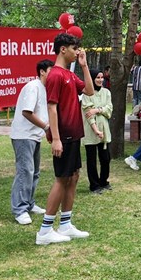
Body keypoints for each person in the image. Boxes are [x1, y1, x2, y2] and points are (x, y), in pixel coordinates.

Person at [35, 32, 96, 246]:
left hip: (74, 134)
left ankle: (65, 224)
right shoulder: (55, 75)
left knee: (74, 176)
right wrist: (57, 138)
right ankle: (44, 230)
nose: (77, 51)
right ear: (63, 49)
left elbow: (89, 90)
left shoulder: (69, 75)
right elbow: (52, 107)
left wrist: (84, 65)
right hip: (64, 135)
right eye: (74, 48)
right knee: (62, 178)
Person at [9, 60, 53, 225]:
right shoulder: (33, 87)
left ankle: (29, 203)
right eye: (50, 70)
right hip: (23, 136)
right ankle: (19, 209)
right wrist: (46, 127)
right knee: (25, 171)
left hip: (35, 136)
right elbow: (27, 112)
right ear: (42, 72)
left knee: (33, 172)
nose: (53, 74)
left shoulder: (45, 89)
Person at [82, 68, 113, 194]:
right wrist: (95, 128)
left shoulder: (107, 92)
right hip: (90, 131)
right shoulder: (86, 93)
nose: (100, 80)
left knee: (105, 158)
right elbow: (88, 112)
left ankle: (103, 181)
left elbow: (109, 110)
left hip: (104, 130)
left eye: (102, 78)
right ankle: (94, 185)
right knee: (92, 160)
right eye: (97, 78)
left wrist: (97, 110)